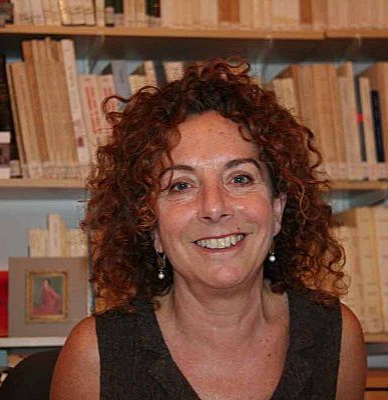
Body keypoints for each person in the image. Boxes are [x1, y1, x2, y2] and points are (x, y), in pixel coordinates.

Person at [51, 59, 366, 399]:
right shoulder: (95, 356)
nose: (214, 207)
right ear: (150, 225)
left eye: (240, 179)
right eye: (181, 186)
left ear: (277, 210)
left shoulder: (337, 338)